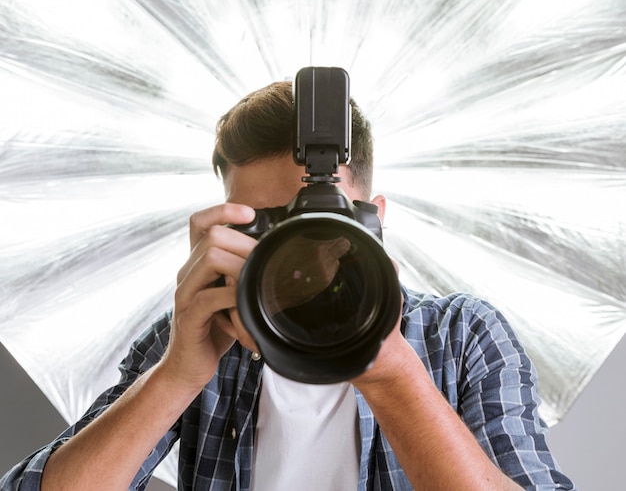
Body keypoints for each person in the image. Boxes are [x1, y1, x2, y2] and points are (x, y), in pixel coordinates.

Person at [1, 80, 575, 490]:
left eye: (317, 221)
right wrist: (177, 375)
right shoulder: (202, 335)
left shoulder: (461, 334)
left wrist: (392, 368)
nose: (298, 254)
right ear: (224, 226)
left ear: (374, 219)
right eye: (268, 226)